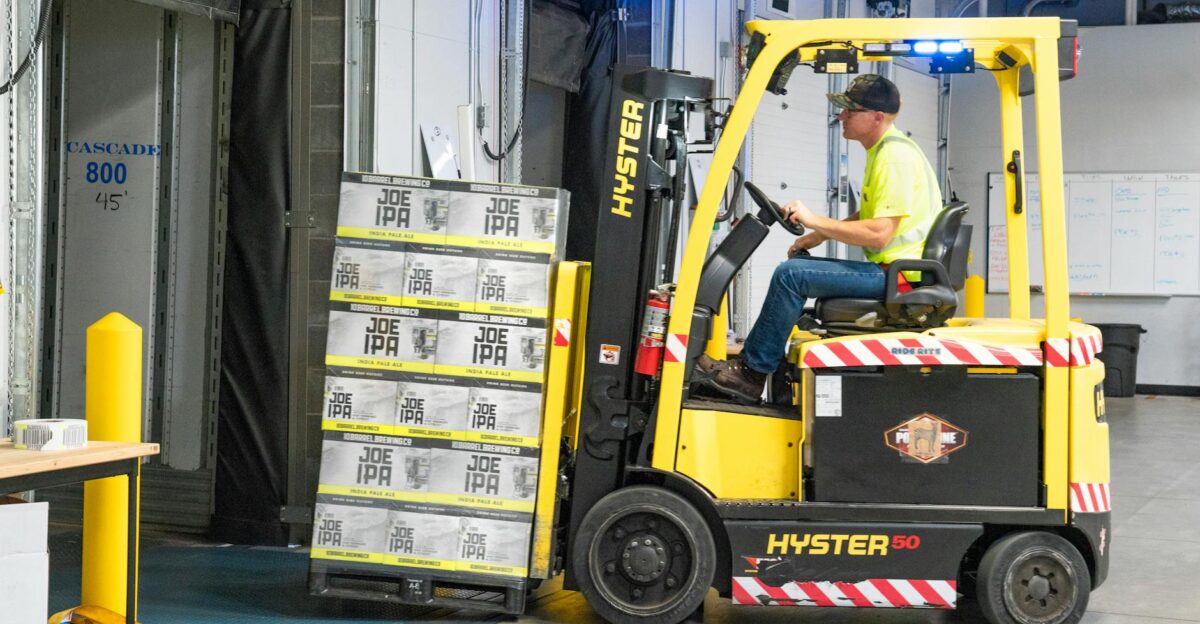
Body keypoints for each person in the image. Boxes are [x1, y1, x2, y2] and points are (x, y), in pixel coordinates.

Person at [698, 74, 943, 402]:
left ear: (877, 117)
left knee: (791, 275)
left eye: (849, 110)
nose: (840, 116)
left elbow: (880, 233)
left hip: (899, 277)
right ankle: (758, 365)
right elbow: (872, 214)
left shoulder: (893, 157)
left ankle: (752, 374)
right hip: (896, 271)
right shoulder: (886, 150)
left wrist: (814, 218)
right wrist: (816, 235)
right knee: (797, 268)